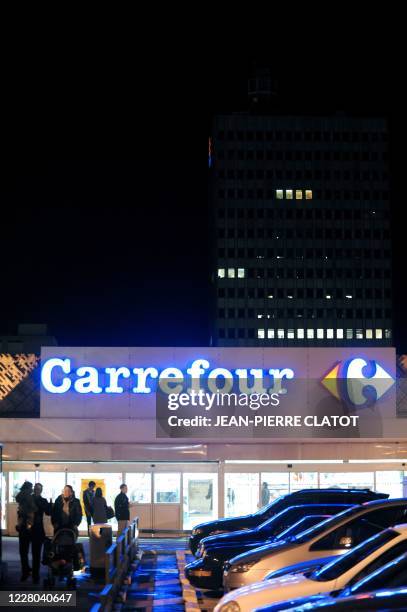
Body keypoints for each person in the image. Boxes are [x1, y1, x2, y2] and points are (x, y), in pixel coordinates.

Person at [16, 481, 36, 581]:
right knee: (32, 550)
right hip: (28, 525)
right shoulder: (28, 496)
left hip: (21, 525)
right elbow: (34, 508)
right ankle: (28, 570)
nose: (32, 489)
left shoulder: (20, 495)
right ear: (28, 488)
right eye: (31, 487)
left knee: (23, 551)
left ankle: (25, 570)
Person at [31, 483, 51, 584]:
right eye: (36, 488)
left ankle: (35, 574)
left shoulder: (43, 501)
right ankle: (28, 571)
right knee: (25, 553)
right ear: (34, 489)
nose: (37, 490)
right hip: (29, 530)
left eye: (38, 489)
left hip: (37, 530)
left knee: (36, 554)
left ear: (41, 490)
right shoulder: (29, 499)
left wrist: (50, 505)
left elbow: (48, 512)